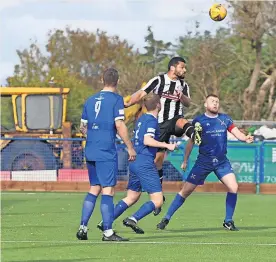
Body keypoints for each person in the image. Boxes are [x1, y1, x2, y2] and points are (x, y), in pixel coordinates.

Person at [157, 94, 254, 231]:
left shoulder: (224, 119)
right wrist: (185, 160)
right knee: (186, 191)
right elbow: (191, 141)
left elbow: (236, 132)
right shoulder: (199, 121)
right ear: (205, 104)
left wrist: (245, 138)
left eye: (217, 101)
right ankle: (166, 218)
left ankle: (228, 221)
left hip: (221, 162)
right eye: (212, 101)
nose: (215, 103)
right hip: (203, 162)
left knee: (234, 187)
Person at [125, 56, 202, 215]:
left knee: (182, 121)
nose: (184, 70)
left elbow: (188, 103)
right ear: (173, 68)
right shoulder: (159, 80)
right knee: (157, 162)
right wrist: (127, 103)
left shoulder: (183, 85)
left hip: (174, 120)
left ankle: (193, 133)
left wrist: (182, 96)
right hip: (158, 125)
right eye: (182, 67)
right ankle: (158, 198)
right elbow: (141, 93)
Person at [97, 93, 176, 234]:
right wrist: (167, 145)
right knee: (158, 200)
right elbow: (147, 140)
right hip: (144, 163)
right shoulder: (151, 120)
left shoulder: (141, 119)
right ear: (158, 105)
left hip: (134, 161)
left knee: (132, 197)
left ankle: (106, 221)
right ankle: (133, 218)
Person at [76, 68, 136, 242]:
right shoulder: (116, 100)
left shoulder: (89, 100)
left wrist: (93, 137)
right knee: (108, 190)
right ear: (117, 81)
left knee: (94, 188)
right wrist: (130, 147)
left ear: (102, 79)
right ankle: (108, 233)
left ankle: (83, 228)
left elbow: (82, 127)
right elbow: (119, 125)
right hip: (105, 151)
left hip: (91, 150)